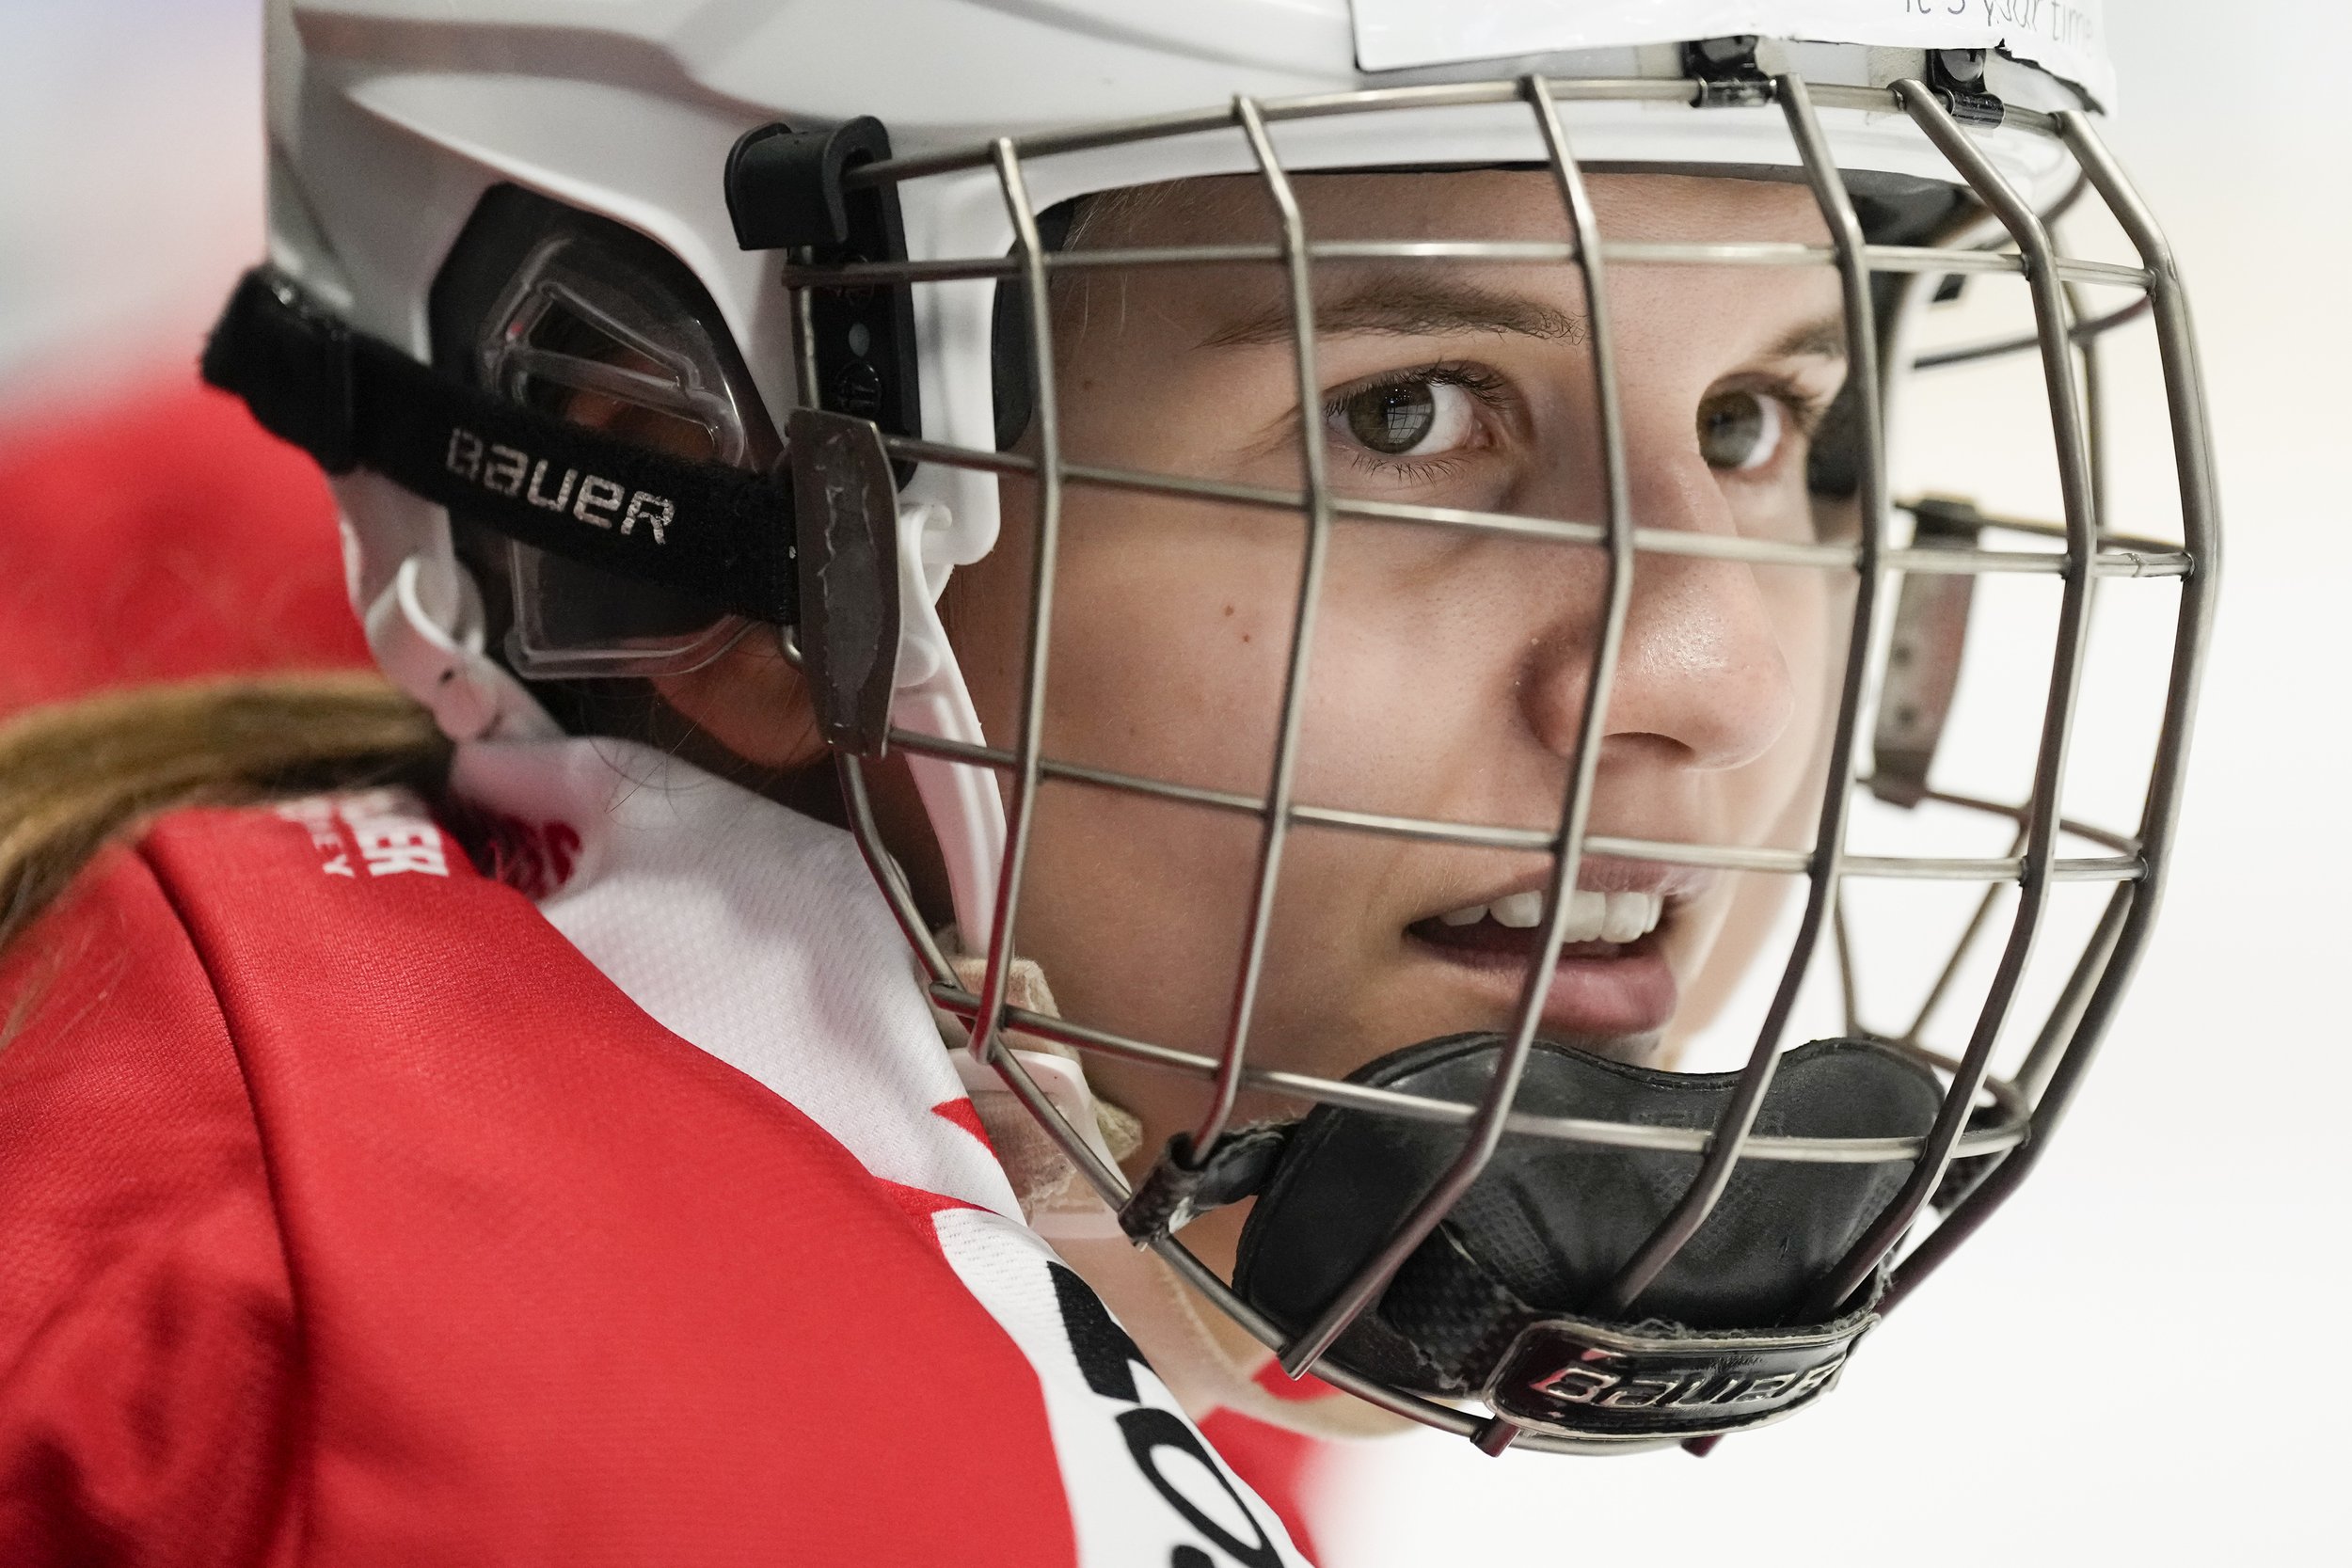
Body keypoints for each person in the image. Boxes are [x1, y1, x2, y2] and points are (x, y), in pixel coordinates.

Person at [0, 3, 2217, 1563]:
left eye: (1751, 423)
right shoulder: (490, 1398)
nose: (1716, 673)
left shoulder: (1087, 1179)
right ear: (678, 501)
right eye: (1406, 415)